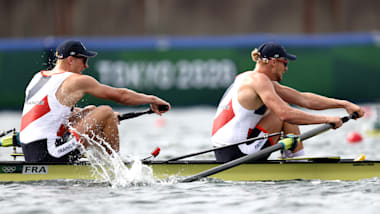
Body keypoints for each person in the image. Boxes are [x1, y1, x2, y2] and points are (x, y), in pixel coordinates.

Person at [19, 40, 171, 163]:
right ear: (70, 60)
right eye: (83, 60)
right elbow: (120, 95)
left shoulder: (38, 77)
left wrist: (101, 119)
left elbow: (54, 114)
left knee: (92, 109)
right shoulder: (74, 80)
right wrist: (152, 99)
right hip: (50, 154)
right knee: (105, 111)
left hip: (31, 153)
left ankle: (103, 161)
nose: (86, 66)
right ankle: (115, 167)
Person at [211, 42, 364, 162]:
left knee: (283, 110)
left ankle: (292, 157)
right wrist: (327, 119)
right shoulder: (259, 81)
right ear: (273, 62)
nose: (286, 68)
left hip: (224, 151)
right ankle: (296, 161)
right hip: (237, 154)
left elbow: (304, 99)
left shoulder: (249, 78)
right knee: (283, 113)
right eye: (285, 63)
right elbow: (285, 114)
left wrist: (344, 104)